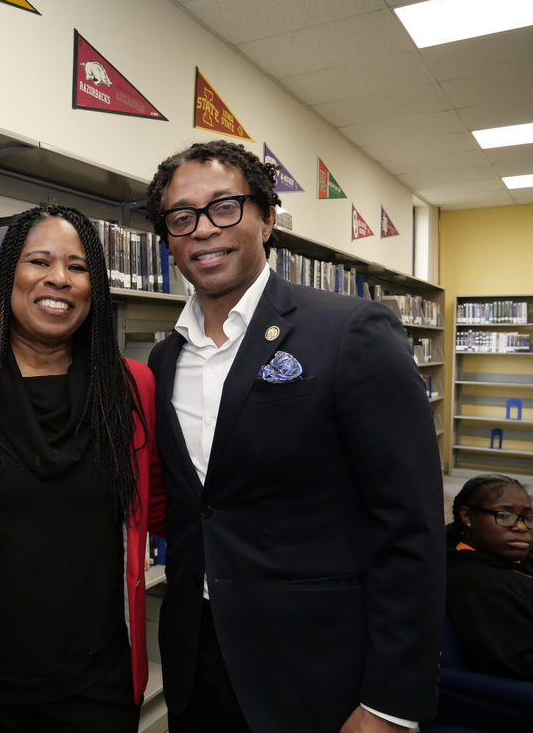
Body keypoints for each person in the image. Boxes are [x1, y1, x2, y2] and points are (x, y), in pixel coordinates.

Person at [144, 140, 445, 733]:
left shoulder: (351, 331)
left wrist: (392, 700)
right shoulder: (163, 359)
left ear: (267, 218)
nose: (203, 230)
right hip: (197, 657)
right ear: (169, 239)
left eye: (224, 207)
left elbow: (410, 525)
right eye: (182, 217)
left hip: (317, 667)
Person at [0, 205, 166, 732]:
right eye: (40, 261)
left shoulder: (131, 388)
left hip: (98, 683)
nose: (59, 278)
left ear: (95, 286)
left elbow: (161, 504)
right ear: (9, 274)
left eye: (78, 266)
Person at [446, 474, 533, 680]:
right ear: (467, 517)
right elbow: (520, 664)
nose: (520, 526)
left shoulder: (508, 556)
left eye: (528, 517)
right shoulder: (475, 584)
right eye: (503, 515)